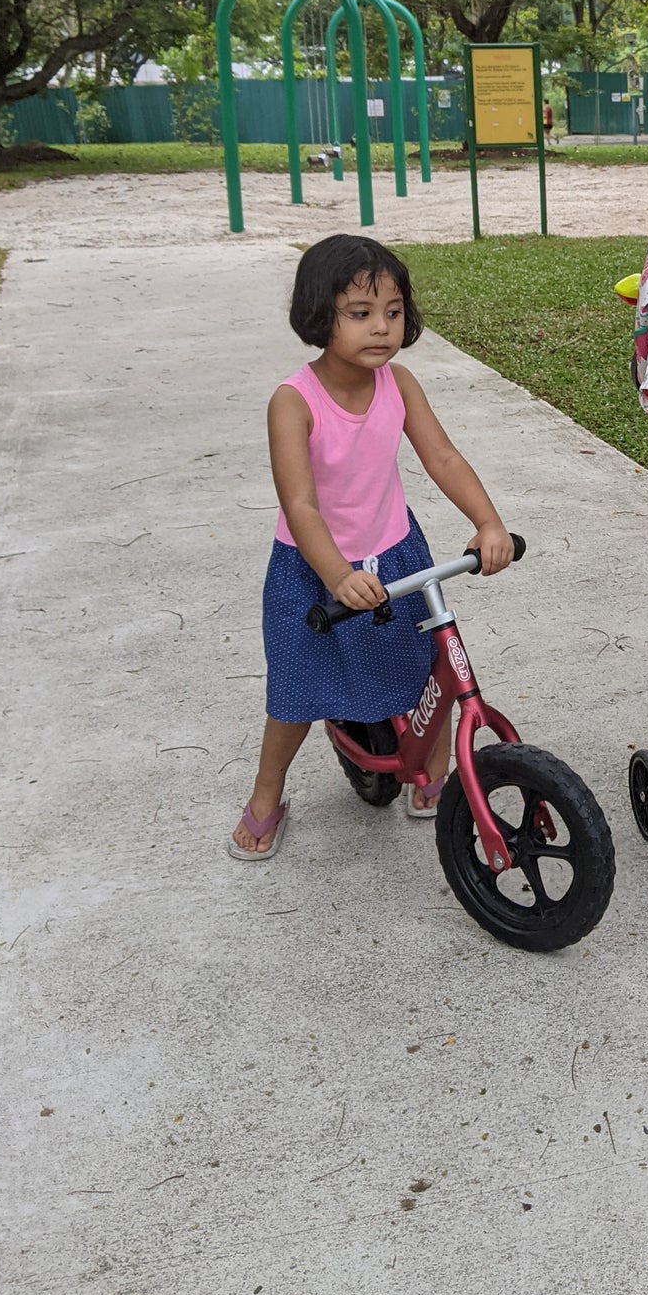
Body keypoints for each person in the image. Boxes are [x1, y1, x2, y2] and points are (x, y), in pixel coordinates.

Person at [230, 235, 514, 859]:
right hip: (313, 572)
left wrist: (488, 522)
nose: (382, 328)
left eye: (393, 311)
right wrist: (334, 574)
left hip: (396, 554)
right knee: (296, 691)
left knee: (429, 671)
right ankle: (266, 793)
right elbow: (301, 506)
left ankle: (433, 773)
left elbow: (440, 455)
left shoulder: (400, 383)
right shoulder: (293, 403)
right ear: (318, 315)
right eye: (360, 313)